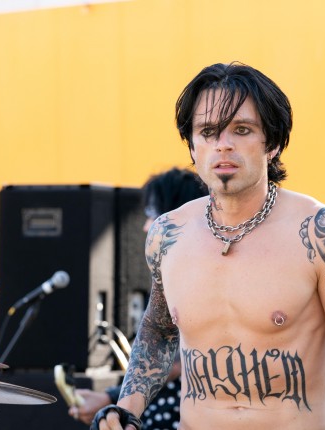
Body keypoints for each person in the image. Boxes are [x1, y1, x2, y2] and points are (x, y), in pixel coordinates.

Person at [91, 62, 325, 430]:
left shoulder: (322, 232)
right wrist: (125, 409)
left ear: (273, 143)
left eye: (242, 130)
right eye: (208, 132)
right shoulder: (168, 234)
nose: (223, 144)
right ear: (192, 146)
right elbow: (157, 332)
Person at [70, 167, 207, 429]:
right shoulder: (171, 272)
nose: (146, 226)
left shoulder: (198, 275)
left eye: (153, 215)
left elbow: (172, 361)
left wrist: (110, 398)